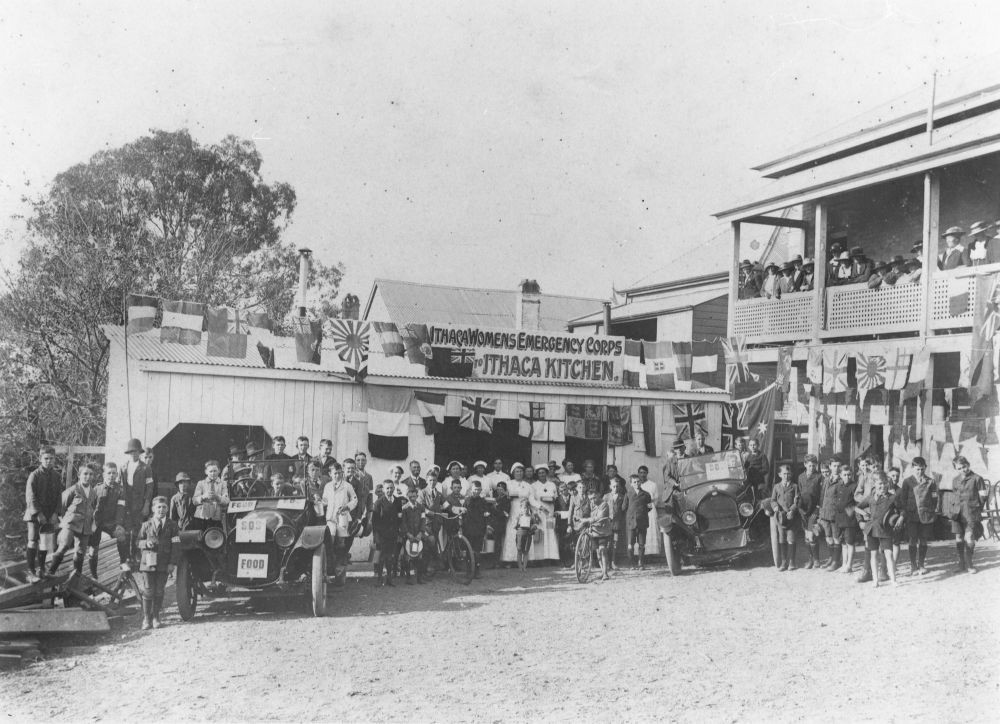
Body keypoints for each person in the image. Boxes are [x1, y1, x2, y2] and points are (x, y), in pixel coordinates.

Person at [45, 463, 99, 579]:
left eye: (91, 474)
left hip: (85, 526)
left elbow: (93, 508)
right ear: (79, 475)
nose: (88, 477)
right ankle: (50, 572)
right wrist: (64, 521)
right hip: (70, 523)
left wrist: (92, 522)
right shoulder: (73, 490)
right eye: (85, 474)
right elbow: (61, 505)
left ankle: (76, 578)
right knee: (64, 546)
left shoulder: (94, 493)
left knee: (80, 553)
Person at [135, 496, 180, 629]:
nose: (161, 510)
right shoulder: (146, 525)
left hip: (164, 563)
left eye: (164, 507)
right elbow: (137, 541)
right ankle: (146, 619)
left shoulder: (172, 525)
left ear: (167, 508)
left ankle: (156, 617)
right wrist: (145, 543)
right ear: (153, 509)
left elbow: (176, 545)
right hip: (148, 562)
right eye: (158, 507)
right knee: (148, 590)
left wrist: (172, 563)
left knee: (159, 590)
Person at [23, 446, 62, 582]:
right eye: (46, 459)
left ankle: (41, 570)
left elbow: (59, 496)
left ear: (54, 459)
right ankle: (30, 572)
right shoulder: (34, 475)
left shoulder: (56, 476)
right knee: (33, 540)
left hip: (49, 514)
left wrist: (55, 513)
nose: (48, 461)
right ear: (40, 459)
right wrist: (38, 513)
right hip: (35, 515)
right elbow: (30, 496)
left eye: (51, 459)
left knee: (45, 543)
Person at [117, 438, 156, 572]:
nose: (134, 454)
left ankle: (135, 557)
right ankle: (126, 558)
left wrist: (146, 504)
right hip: (126, 505)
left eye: (136, 452)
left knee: (137, 532)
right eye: (131, 452)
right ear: (129, 453)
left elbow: (150, 488)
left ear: (140, 452)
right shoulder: (123, 467)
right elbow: (120, 487)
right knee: (127, 531)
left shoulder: (146, 468)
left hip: (139, 505)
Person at [857, 475, 901, 588]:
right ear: (875, 484)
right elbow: (857, 507)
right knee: (874, 554)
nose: (883, 486)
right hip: (871, 529)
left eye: (885, 483)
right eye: (880, 484)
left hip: (885, 530)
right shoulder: (870, 497)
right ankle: (875, 580)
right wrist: (863, 518)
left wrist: (900, 519)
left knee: (889, 554)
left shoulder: (892, 497)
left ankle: (893, 580)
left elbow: (903, 510)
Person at [897, 456, 938, 576]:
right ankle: (913, 565)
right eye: (917, 469)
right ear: (912, 468)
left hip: (926, 515)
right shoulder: (907, 481)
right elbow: (903, 500)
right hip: (912, 515)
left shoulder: (931, 481)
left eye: (922, 469)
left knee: (924, 539)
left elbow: (935, 498)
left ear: (925, 468)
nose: (920, 472)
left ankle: (921, 564)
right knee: (913, 539)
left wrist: (931, 510)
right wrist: (904, 514)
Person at [947, 456, 988, 574]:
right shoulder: (955, 480)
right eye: (959, 468)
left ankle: (970, 564)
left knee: (969, 537)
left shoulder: (977, 478)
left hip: (971, 513)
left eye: (964, 467)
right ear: (956, 468)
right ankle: (961, 564)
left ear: (968, 465)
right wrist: (952, 510)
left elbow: (983, 497)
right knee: (959, 538)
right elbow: (954, 496)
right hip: (957, 514)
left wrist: (977, 510)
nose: (963, 470)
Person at [85, 462, 122, 579]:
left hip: (111, 522)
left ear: (117, 474)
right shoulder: (96, 489)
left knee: (122, 536)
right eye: (109, 473)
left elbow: (121, 509)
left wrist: (118, 525)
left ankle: (123, 568)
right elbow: (90, 508)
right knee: (93, 547)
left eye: (114, 473)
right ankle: (93, 574)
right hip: (97, 522)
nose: (111, 476)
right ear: (103, 474)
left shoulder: (120, 490)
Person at [322, 463, 357, 578]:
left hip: (343, 519)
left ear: (342, 473)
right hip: (331, 519)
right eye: (335, 473)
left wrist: (347, 506)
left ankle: (340, 569)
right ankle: (330, 565)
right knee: (330, 539)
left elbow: (354, 500)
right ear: (330, 474)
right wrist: (318, 501)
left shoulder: (347, 486)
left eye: (339, 473)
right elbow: (325, 501)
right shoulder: (327, 486)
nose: (337, 475)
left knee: (341, 543)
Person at [769, 464, 799, 571]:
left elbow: (797, 500)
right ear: (779, 475)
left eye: (788, 474)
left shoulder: (794, 486)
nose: (786, 476)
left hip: (791, 517)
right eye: (784, 474)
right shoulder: (776, 487)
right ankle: (783, 561)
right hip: (780, 518)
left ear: (791, 474)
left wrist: (792, 510)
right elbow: (772, 500)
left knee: (791, 539)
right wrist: (775, 507)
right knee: (782, 539)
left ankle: (792, 561)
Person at [796, 454, 823, 569]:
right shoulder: (801, 477)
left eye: (814, 465)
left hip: (814, 509)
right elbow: (800, 492)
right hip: (804, 510)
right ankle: (810, 559)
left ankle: (816, 560)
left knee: (812, 535)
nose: (812, 467)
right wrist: (799, 507)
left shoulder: (819, 477)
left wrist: (818, 508)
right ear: (805, 465)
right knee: (807, 536)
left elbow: (822, 495)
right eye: (809, 465)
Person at [371, 482, 401, 587]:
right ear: (384, 489)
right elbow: (374, 521)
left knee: (390, 557)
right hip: (381, 534)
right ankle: (379, 579)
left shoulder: (397, 501)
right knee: (381, 557)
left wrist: (398, 531)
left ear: (394, 488)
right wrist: (376, 536)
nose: (389, 490)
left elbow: (399, 517)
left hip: (393, 534)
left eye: (391, 488)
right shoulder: (378, 503)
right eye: (387, 488)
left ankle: (389, 579)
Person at [399, 487, 431, 584]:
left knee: (420, 555)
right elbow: (402, 523)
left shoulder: (421, 507)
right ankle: (408, 577)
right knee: (408, 556)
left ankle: (419, 577)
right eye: (410, 496)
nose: (413, 498)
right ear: (407, 496)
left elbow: (423, 520)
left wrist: (421, 533)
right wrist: (408, 534)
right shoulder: (404, 509)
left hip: (418, 535)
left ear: (417, 496)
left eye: (414, 496)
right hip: (408, 535)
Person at [833, 466, 860, 574]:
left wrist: (852, 511)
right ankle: (844, 564)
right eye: (844, 475)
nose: (847, 477)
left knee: (850, 543)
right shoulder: (838, 486)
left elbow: (857, 502)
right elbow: (835, 499)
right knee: (843, 543)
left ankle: (849, 565)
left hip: (849, 519)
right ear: (840, 475)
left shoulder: (854, 486)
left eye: (849, 474)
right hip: (839, 518)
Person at [531, 465, 560, 561]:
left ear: (546, 473)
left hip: (549, 512)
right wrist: (540, 507)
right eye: (539, 473)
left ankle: (551, 557)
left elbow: (556, 496)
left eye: (543, 472)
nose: (541, 474)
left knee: (550, 533)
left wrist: (553, 499)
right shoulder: (534, 485)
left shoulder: (552, 484)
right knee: (540, 534)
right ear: (537, 474)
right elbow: (531, 499)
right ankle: (539, 559)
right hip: (539, 513)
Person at [463, 480, 492, 577]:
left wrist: (487, 525)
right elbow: (463, 515)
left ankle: (477, 571)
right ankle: (468, 571)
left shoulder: (483, 501)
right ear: (471, 489)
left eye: (479, 490)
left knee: (477, 551)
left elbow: (486, 515)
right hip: (468, 529)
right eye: (475, 489)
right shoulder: (467, 501)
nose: (477, 491)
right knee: (468, 550)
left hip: (479, 529)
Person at [818, 457, 843, 570]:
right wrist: (821, 511)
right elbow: (822, 496)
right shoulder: (826, 479)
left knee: (836, 537)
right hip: (825, 513)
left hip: (835, 514)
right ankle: (831, 558)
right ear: (830, 467)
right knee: (828, 537)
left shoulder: (842, 480)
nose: (836, 468)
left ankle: (836, 561)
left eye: (838, 466)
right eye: (834, 466)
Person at [583, 488, 612, 581]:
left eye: (594, 498)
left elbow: (599, 517)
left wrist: (587, 520)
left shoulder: (604, 505)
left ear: (599, 495)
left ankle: (605, 573)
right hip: (594, 532)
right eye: (590, 499)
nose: (593, 500)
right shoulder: (591, 504)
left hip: (603, 531)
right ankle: (603, 571)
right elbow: (587, 513)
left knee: (602, 550)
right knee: (598, 553)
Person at [192, 460, 229, 531]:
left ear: (219, 471)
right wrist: (203, 496)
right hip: (201, 517)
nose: (213, 473)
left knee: (215, 538)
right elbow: (194, 501)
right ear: (206, 472)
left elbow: (226, 501)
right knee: (200, 538)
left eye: (215, 471)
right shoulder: (201, 483)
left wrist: (217, 497)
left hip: (216, 518)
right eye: (210, 471)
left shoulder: (223, 484)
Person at [626, 474, 652, 570]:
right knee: (630, 544)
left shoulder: (646, 494)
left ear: (640, 482)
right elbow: (624, 507)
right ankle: (631, 564)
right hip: (631, 523)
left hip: (642, 522)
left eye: (638, 481)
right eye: (634, 482)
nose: (636, 483)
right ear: (631, 484)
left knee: (642, 544)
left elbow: (650, 507)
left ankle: (641, 563)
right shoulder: (628, 494)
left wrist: (641, 514)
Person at [606, 477, 628, 570]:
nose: (615, 488)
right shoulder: (606, 496)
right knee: (607, 543)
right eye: (613, 486)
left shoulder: (622, 497)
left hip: (617, 524)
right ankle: (606, 562)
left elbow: (623, 510)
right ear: (610, 486)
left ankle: (613, 562)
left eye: (617, 486)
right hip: (607, 524)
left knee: (615, 543)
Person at [513, 497, 539, 573]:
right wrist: (517, 524)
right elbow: (515, 526)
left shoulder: (531, 517)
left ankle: (524, 567)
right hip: (520, 534)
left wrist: (533, 527)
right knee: (519, 550)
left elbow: (535, 525)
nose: (525, 510)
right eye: (524, 508)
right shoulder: (519, 517)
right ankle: (520, 567)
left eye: (527, 508)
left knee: (526, 551)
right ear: (520, 508)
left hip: (528, 534)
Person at [554, 481, 575, 568]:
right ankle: (563, 561)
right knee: (562, 543)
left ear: (567, 489)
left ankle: (571, 560)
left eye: (565, 489)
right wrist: (562, 513)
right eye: (561, 490)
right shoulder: (557, 499)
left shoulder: (572, 497)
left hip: (571, 522)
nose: (563, 492)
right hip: (561, 523)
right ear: (559, 491)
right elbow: (555, 511)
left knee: (570, 543)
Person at [493, 481, 511, 563]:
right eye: (498, 489)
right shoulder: (496, 498)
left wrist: (496, 509)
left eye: (501, 489)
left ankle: (497, 561)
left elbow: (506, 513)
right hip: (494, 522)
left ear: (504, 490)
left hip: (500, 523)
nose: (499, 491)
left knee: (498, 542)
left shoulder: (506, 499)